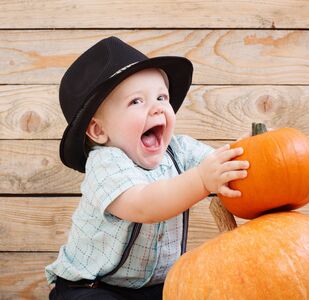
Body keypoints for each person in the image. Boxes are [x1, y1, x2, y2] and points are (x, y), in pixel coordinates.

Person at [46, 36, 249, 300]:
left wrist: (251, 156)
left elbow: (224, 166)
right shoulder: (105, 163)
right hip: (93, 286)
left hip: (156, 286)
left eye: (161, 97)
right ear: (98, 130)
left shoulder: (180, 150)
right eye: (136, 101)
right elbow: (144, 205)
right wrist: (202, 180)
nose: (157, 109)